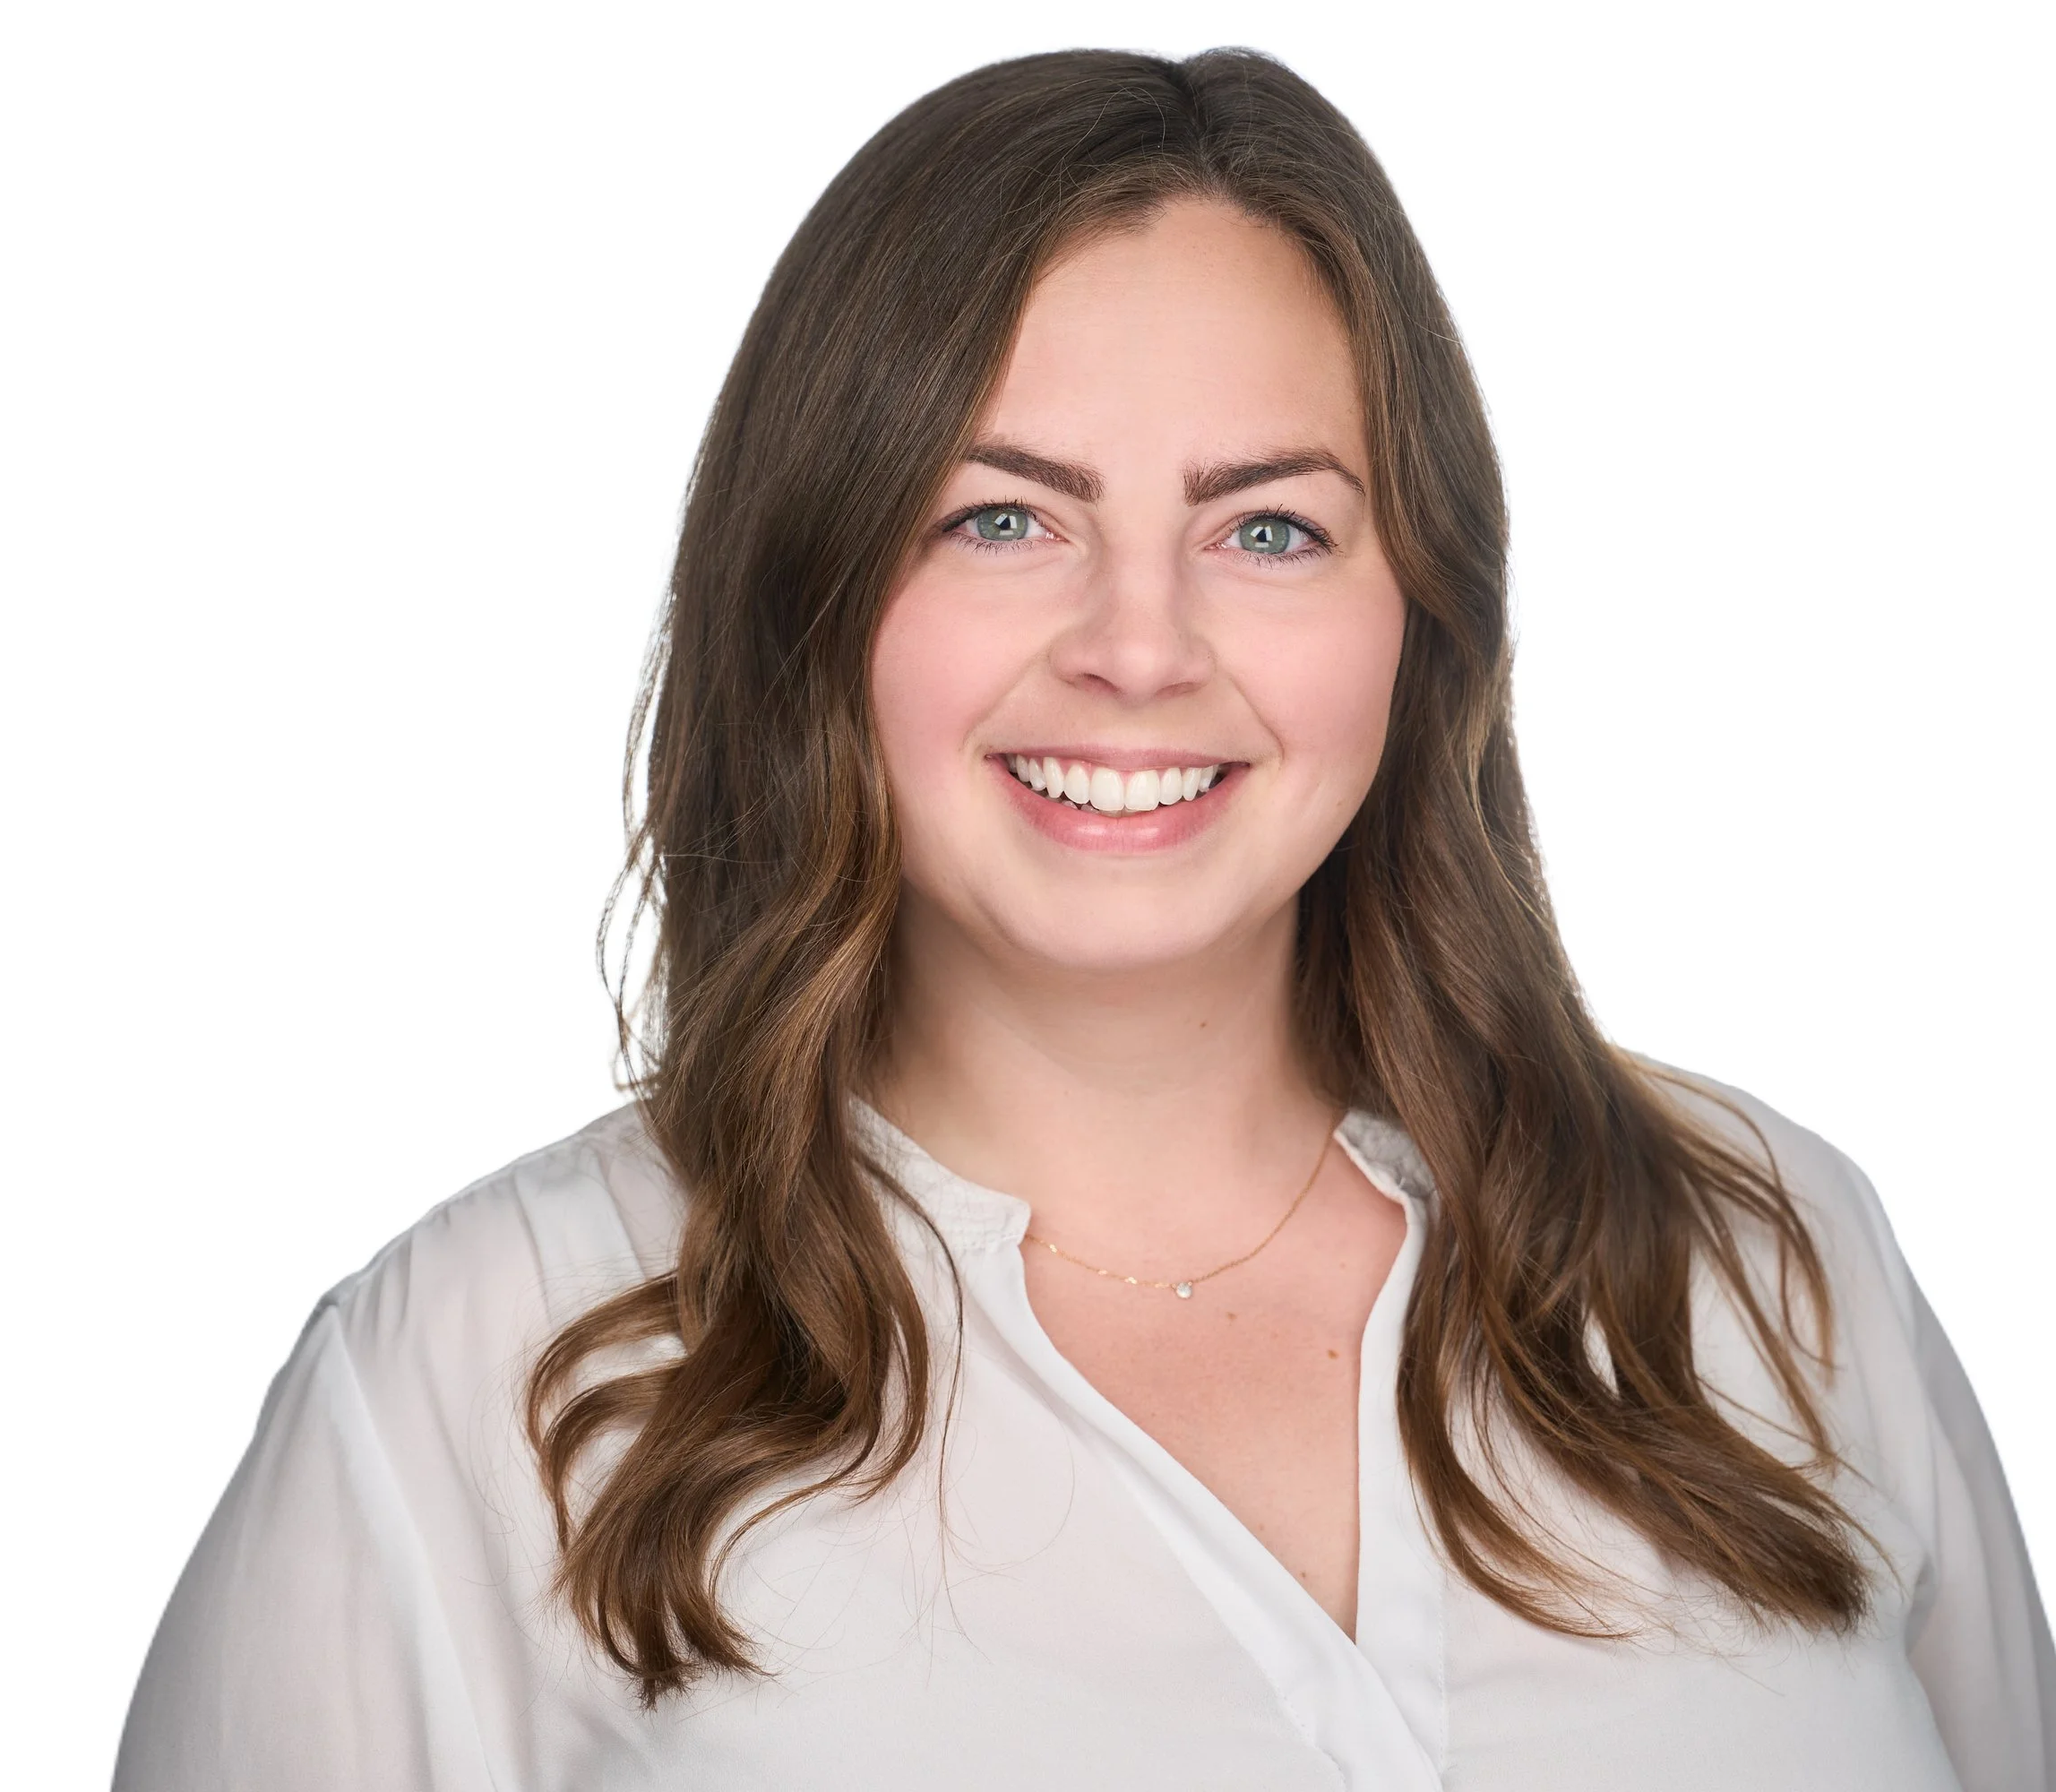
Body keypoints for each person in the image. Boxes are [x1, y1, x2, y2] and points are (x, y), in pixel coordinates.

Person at [114, 47, 2054, 1791]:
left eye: (1267, 527)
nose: (1139, 649)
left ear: (1422, 616)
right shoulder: (467, 1388)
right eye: (1000, 517)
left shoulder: (1770, 1267)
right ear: (812, 587)